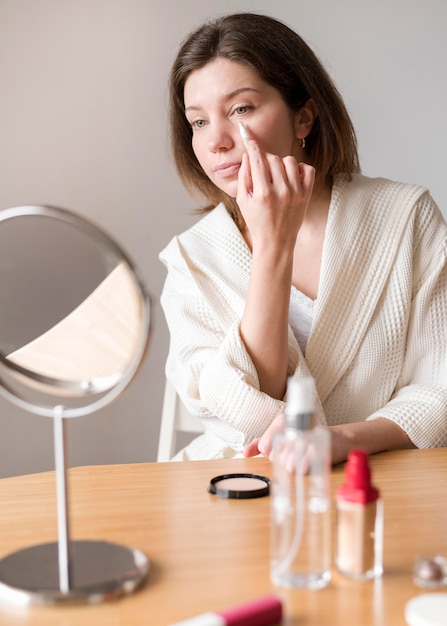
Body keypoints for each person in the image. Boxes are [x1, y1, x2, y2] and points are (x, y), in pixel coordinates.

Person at [159, 12, 447, 463]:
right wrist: (273, 244)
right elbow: (243, 414)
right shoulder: (192, 259)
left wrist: (345, 440)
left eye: (240, 109)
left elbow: (440, 389)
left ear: (304, 118)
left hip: (378, 480)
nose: (215, 141)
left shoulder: (405, 217)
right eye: (197, 122)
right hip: (241, 487)